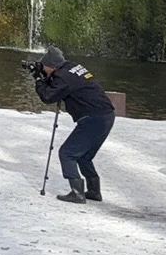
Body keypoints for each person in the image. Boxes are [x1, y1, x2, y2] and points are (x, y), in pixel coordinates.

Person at [35, 46, 114, 204]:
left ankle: (77, 192)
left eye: (44, 67)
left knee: (67, 153)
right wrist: (48, 78)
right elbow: (65, 85)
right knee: (84, 156)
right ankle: (93, 190)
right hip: (107, 115)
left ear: (51, 66)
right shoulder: (72, 67)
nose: (43, 70)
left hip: (93, 118)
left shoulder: (62, 78)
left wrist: (39, 81)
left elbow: (48, 96)